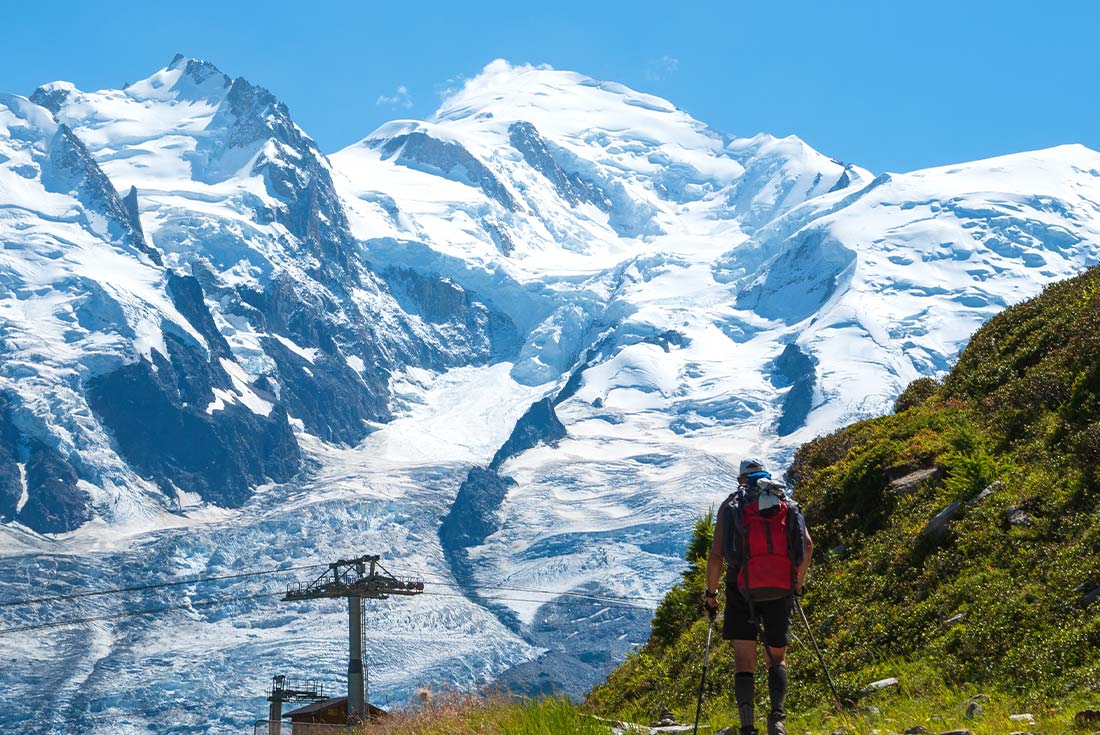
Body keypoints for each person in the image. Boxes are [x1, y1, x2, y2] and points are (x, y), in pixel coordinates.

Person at [704, 458, 813, 735]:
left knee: (744, 660)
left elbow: (716, 554)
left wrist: (711, 595)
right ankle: (777, 720)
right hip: (779, 588)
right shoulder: (786, 504)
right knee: (776, 657)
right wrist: (796, 584)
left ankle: (747, 727)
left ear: (742, 479)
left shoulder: (731, 507)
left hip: (740, 588)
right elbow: (808, 545)